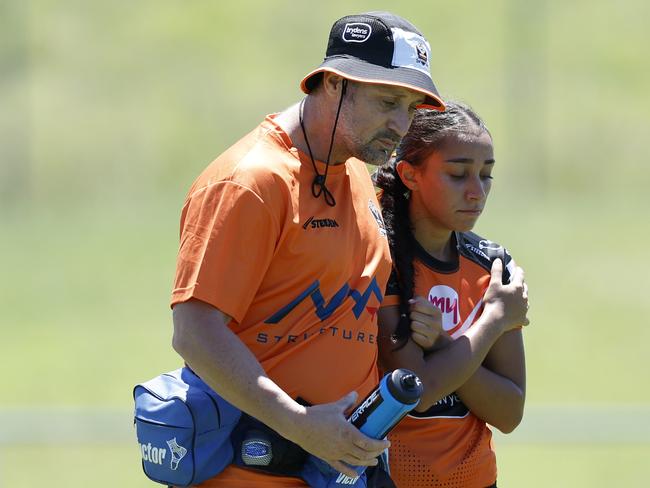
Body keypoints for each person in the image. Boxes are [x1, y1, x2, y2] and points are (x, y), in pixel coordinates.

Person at [170, 11, 446, 487]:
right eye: (388, 102)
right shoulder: (252, 182)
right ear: (335, 84)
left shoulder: (358, 171)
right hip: (251, 470)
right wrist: (298, 424)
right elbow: (194, 332)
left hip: (340, 470)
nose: (402, 124)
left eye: (412, 108)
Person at [374, 101, 530, 488]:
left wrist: (444, 344)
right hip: (392, 479)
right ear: (409, 174)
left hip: (476, 479)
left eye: (486, 175)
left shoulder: (492, 268)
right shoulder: (379, 257)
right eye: (458, 174)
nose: (477, 192)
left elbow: (510, 412)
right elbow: (420, 390)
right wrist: (491, 322)